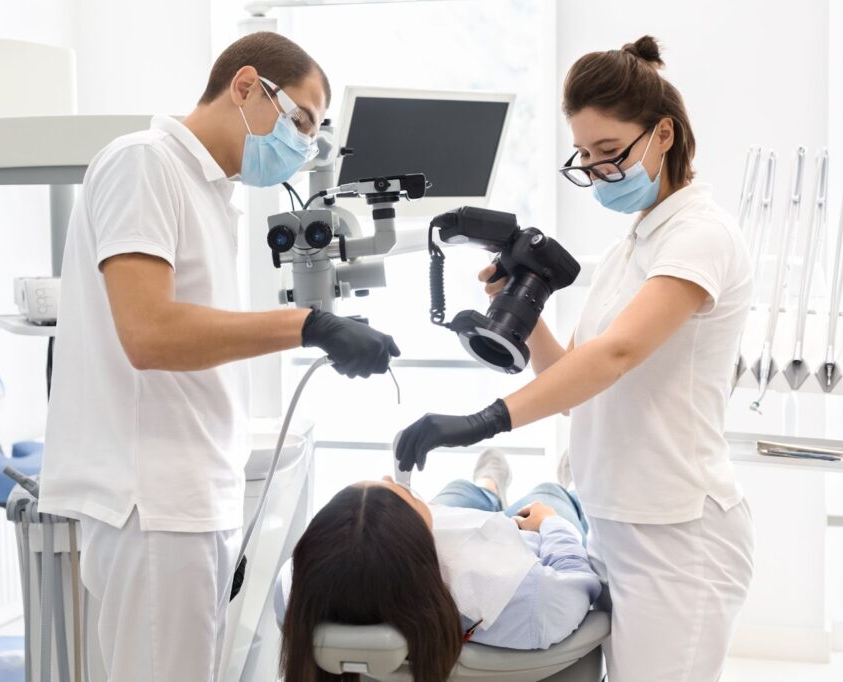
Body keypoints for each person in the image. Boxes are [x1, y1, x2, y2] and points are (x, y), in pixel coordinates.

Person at [37, 32, 400, 682]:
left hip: (186, 502)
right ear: (245, 86)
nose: (303, 146)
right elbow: (148, 333)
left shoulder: (209, 194)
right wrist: (309, 326)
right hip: (152, 502)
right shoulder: (144, 163)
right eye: (300, 122)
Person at [394, 36, 754, 681]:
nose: (597, 170)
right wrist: (524, 313)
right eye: (585, 156)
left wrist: (483, 421)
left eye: (610, 152)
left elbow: (617, 353)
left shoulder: (700, 235)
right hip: (616, 518)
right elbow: (578, 375)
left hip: (678, 535)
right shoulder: (632, 247)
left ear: (664, 135)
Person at [276, 449, 602, 682]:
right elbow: (576, 578)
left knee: (454, 497)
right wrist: (551, 523)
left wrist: (412, 510)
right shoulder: (531, 599)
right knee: (546, 496)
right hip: (528, 547)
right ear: (420, 549)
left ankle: (488, 485)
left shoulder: (300, 588)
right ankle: (568, 489)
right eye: (405, 494)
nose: (389, 476)